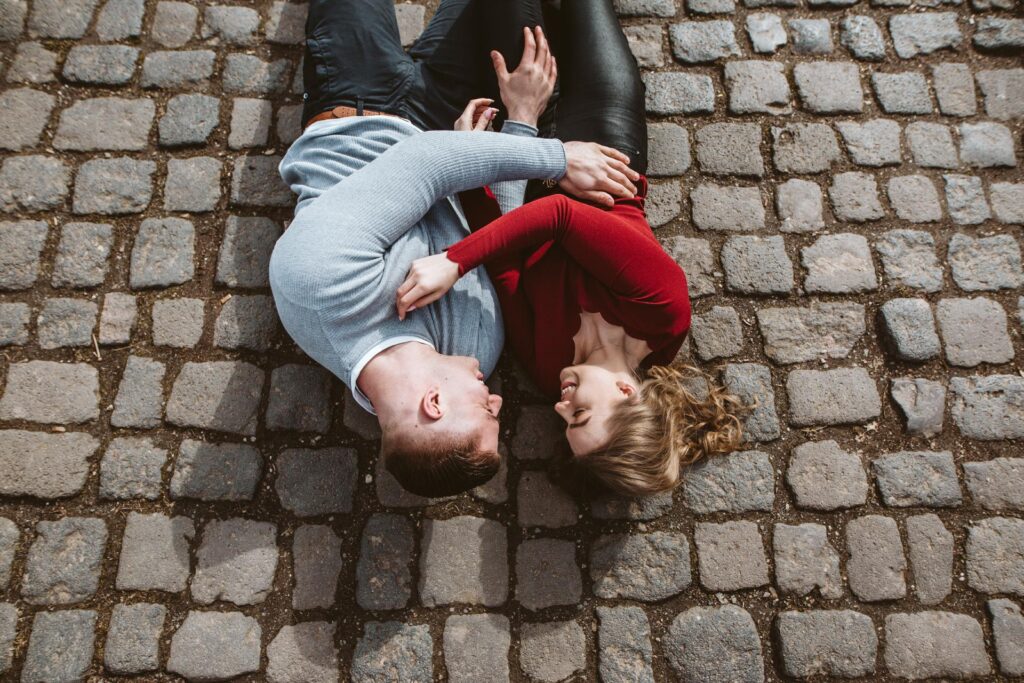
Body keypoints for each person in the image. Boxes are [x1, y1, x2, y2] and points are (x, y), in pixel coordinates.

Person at [269, 0, 637, 497]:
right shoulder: (477, 352)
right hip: (455, 123)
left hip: (358, 103)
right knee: (524, 31)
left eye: (487, 413)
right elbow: (497, 233)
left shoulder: (317, 288)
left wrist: (556, 159)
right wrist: (523, 118)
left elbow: (424, 163)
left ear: (434, 404)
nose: (499, 403)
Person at [395, 0, 746, 496]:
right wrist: (453, 263)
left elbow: (506, 268)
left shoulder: (545, 369)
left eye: (566, 423)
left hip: (527, 155)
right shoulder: (664, 311)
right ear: (627, 392)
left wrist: (473, 162)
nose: (560, 406)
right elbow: (561, 218)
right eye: (579, 414)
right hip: (603, 133)